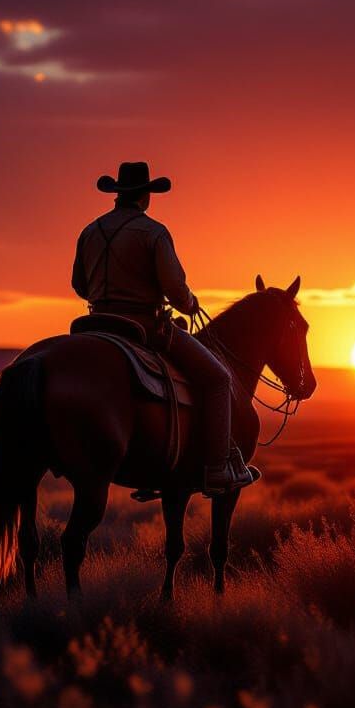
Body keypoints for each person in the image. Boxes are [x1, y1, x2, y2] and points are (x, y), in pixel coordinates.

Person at [71, 161, 254, 495]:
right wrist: (189, 303)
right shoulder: (154, 232)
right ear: (146, 195)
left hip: (93, 322)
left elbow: (79, 285)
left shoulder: (90, 231)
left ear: (116, 194)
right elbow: (174, 288)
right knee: (217, 379)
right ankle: (215, 469)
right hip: (144, 325)